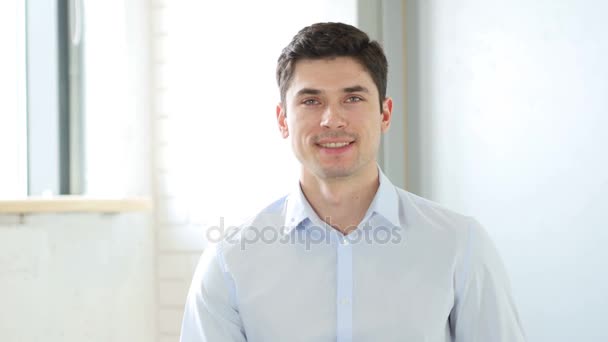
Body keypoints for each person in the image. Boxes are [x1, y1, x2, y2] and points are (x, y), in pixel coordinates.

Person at [180, 22, 525, 342]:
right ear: (283, 120)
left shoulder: (459, 245)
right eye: (311, 101)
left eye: (353, 98)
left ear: (385, 114)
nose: (332, 119)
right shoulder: (229, 261)